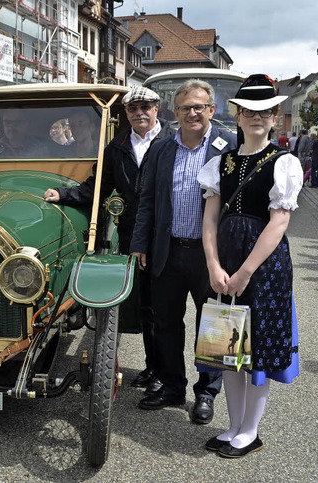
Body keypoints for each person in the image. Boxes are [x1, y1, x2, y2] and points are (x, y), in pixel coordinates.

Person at [44, 87, 175, 395]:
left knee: (166, 309)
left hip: (169, 231)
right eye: (133, 109)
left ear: (157, 109)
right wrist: (64, 194)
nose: (140, 112)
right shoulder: (117, 148)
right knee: (146, 306)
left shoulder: (173, 141)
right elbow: (98, 186)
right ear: (127, 114)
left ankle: (171, 376)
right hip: (135, 232)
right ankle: (153, 366)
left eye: (145, 106)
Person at [198, 73, 302, 458]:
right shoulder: (219, 163)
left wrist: (245, 272)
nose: (257, 117)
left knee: (255, 350)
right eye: (250, 111)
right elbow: (209, 220)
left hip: (264, 266)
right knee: (227, 347)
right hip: (224, 260)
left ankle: (251, 430)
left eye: (266, 111)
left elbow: (279, 223)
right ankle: (233, 425)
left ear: (275, 117)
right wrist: (212, 264)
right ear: (237, 115)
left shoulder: (284, 162)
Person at [130, 79, 237, 424]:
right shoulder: (161, 150)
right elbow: (147, 200)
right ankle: (173, 386)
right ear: (174, 112)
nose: (192, 113)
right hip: (168, 251)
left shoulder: (229, 146)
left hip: (211, 257)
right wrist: (139, 244)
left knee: (215, 326)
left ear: (211, 109)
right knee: (165, 324)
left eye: (199, 106)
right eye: (185, 107)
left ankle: (207, 392)